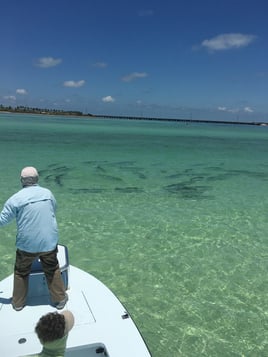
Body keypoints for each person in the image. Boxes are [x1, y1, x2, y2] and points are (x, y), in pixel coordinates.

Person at [0, 166, 68, 311]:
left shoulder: (15, 199)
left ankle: (18, 303)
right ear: (37, 179)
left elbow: (2, 221)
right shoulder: (48, 194)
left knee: (21, 272)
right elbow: (53, 209)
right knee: (52, 269)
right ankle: (60, 300)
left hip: (27, 246)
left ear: (22, 181)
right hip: (48, 243)